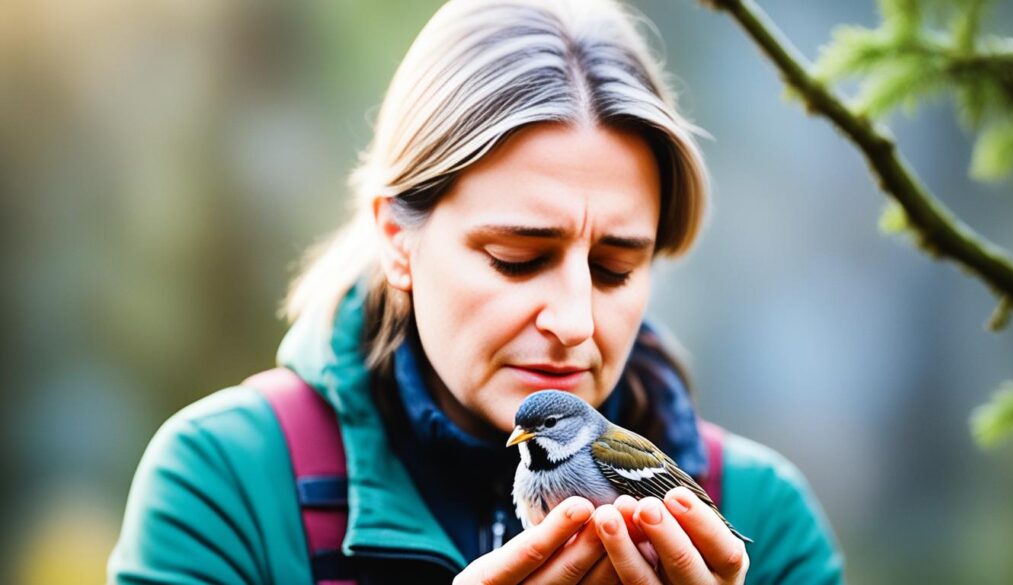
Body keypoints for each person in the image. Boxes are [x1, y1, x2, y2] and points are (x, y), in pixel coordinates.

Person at [108, 0, 844, 583]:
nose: (573, 321)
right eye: (517, 259)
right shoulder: (225, 485)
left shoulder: (763, 521)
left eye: (615, 268)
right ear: (399, 240)